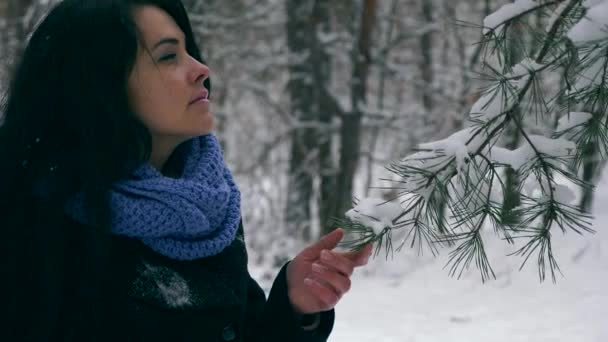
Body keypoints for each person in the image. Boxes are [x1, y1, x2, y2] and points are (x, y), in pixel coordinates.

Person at [0, 0, 373, 341]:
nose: (200, 69)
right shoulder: (28, 219)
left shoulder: (204, 204)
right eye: (168, 57)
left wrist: (292, 307)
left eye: (188, 50)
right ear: (101, 84)